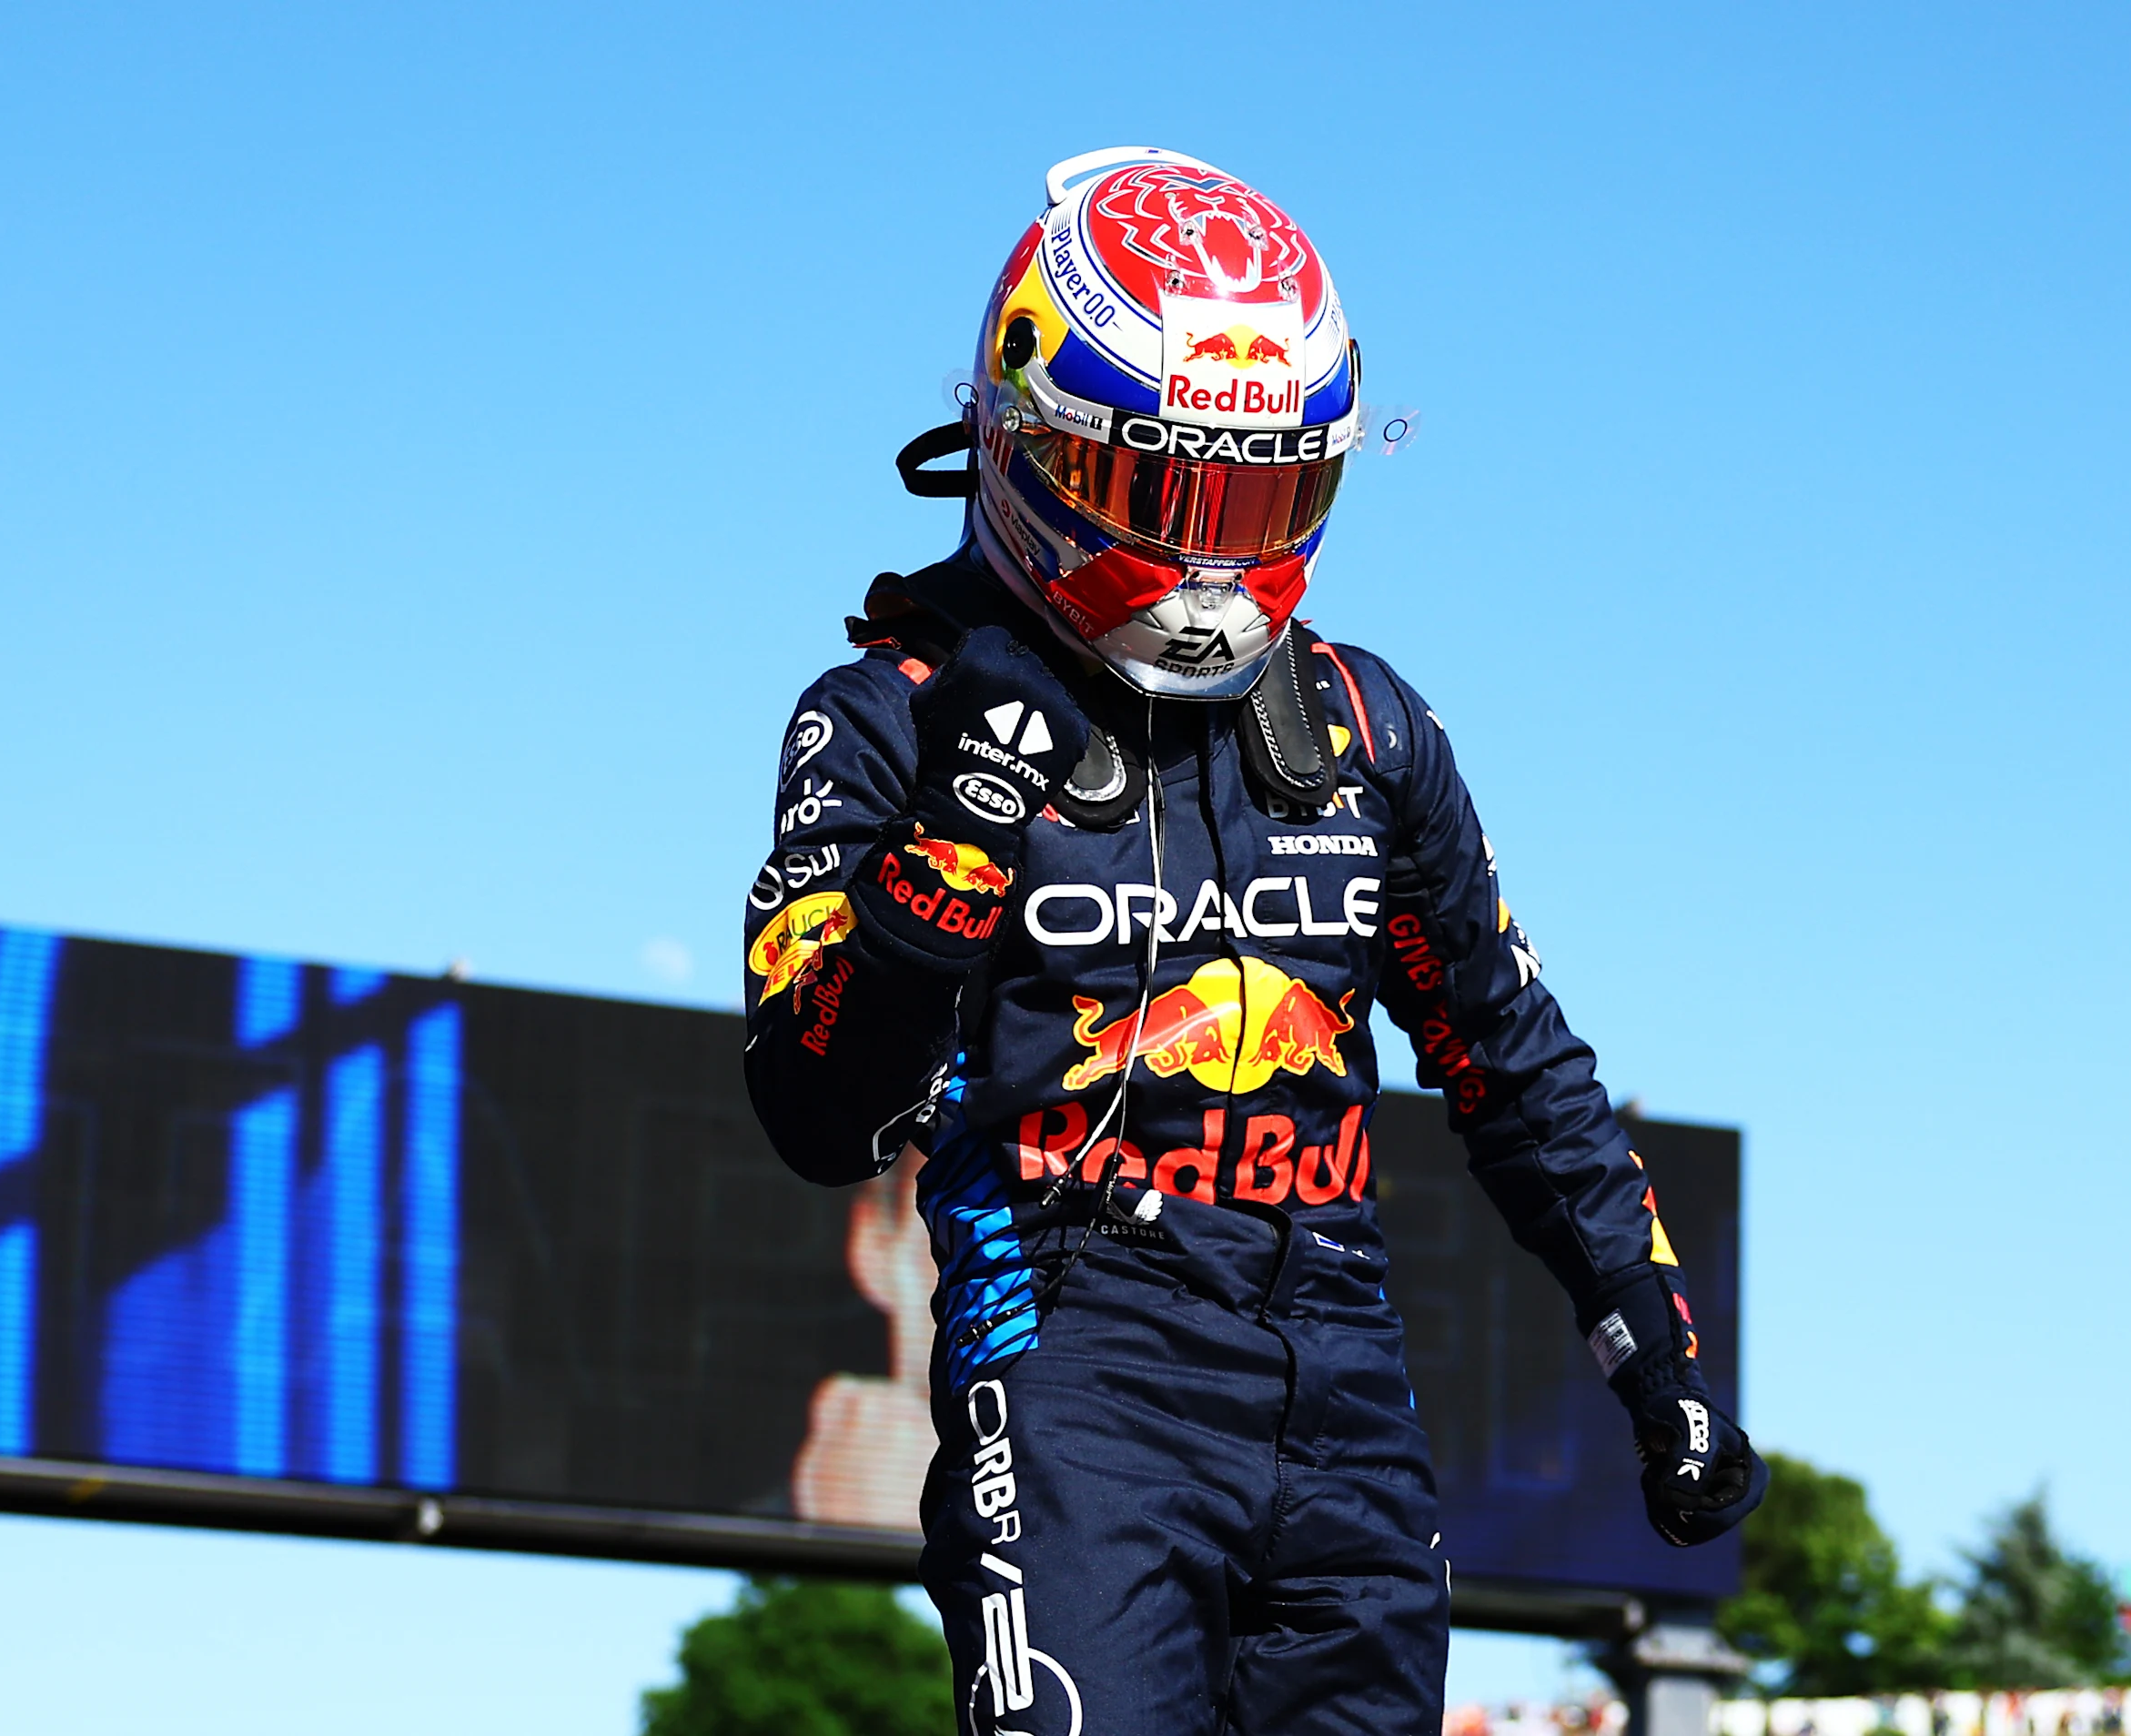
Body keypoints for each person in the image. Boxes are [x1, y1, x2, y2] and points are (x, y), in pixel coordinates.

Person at [743, 146, 1763, 1736]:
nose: (1217, 553)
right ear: (1033, 443)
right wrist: (951, 852)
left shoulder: (1366, 726)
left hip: (1341, 1364)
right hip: (1074, 1352)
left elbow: (1511, 1062)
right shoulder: (888, 714)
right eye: (1172, 492)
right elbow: (816, 1115)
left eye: (1266, 495)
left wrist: (1659, 1350)